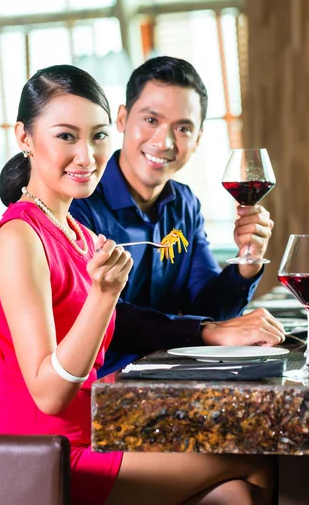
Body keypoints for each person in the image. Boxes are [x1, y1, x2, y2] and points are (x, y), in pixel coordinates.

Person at [0, 64, 275, 505]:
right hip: (40, 456)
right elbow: (49, 394)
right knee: (256, 458)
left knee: (235, 495)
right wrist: (104, 296)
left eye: (98, 136)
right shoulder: (20, 237)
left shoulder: (77, 234)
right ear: (25, 138)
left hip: (95, 433)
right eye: (66, 136)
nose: (87, 155)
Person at [69, 56, 284, 376]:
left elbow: (207, 310)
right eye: (151, 120)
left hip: (172, 375)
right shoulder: (79, 201)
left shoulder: (185, 203)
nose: (164, 141)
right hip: (100, 387)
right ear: (123, 118)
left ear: (197, 139)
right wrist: (206, 332)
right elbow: (98, 316)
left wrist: (247, 263)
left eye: (182, 128)